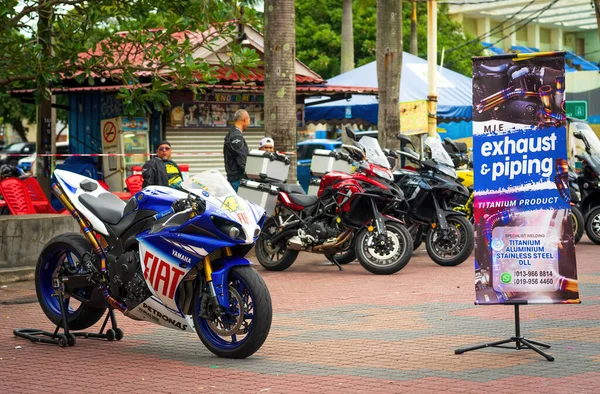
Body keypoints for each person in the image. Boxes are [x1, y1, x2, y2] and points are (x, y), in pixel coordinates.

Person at [224, 109, 250, 191]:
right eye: (249, 120)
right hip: (239, 180)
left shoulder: (234, 134)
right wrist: (250, 174)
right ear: (245, 119)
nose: (249, 123)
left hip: (237, 179)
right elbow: (241, 158)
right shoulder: (236, 136)